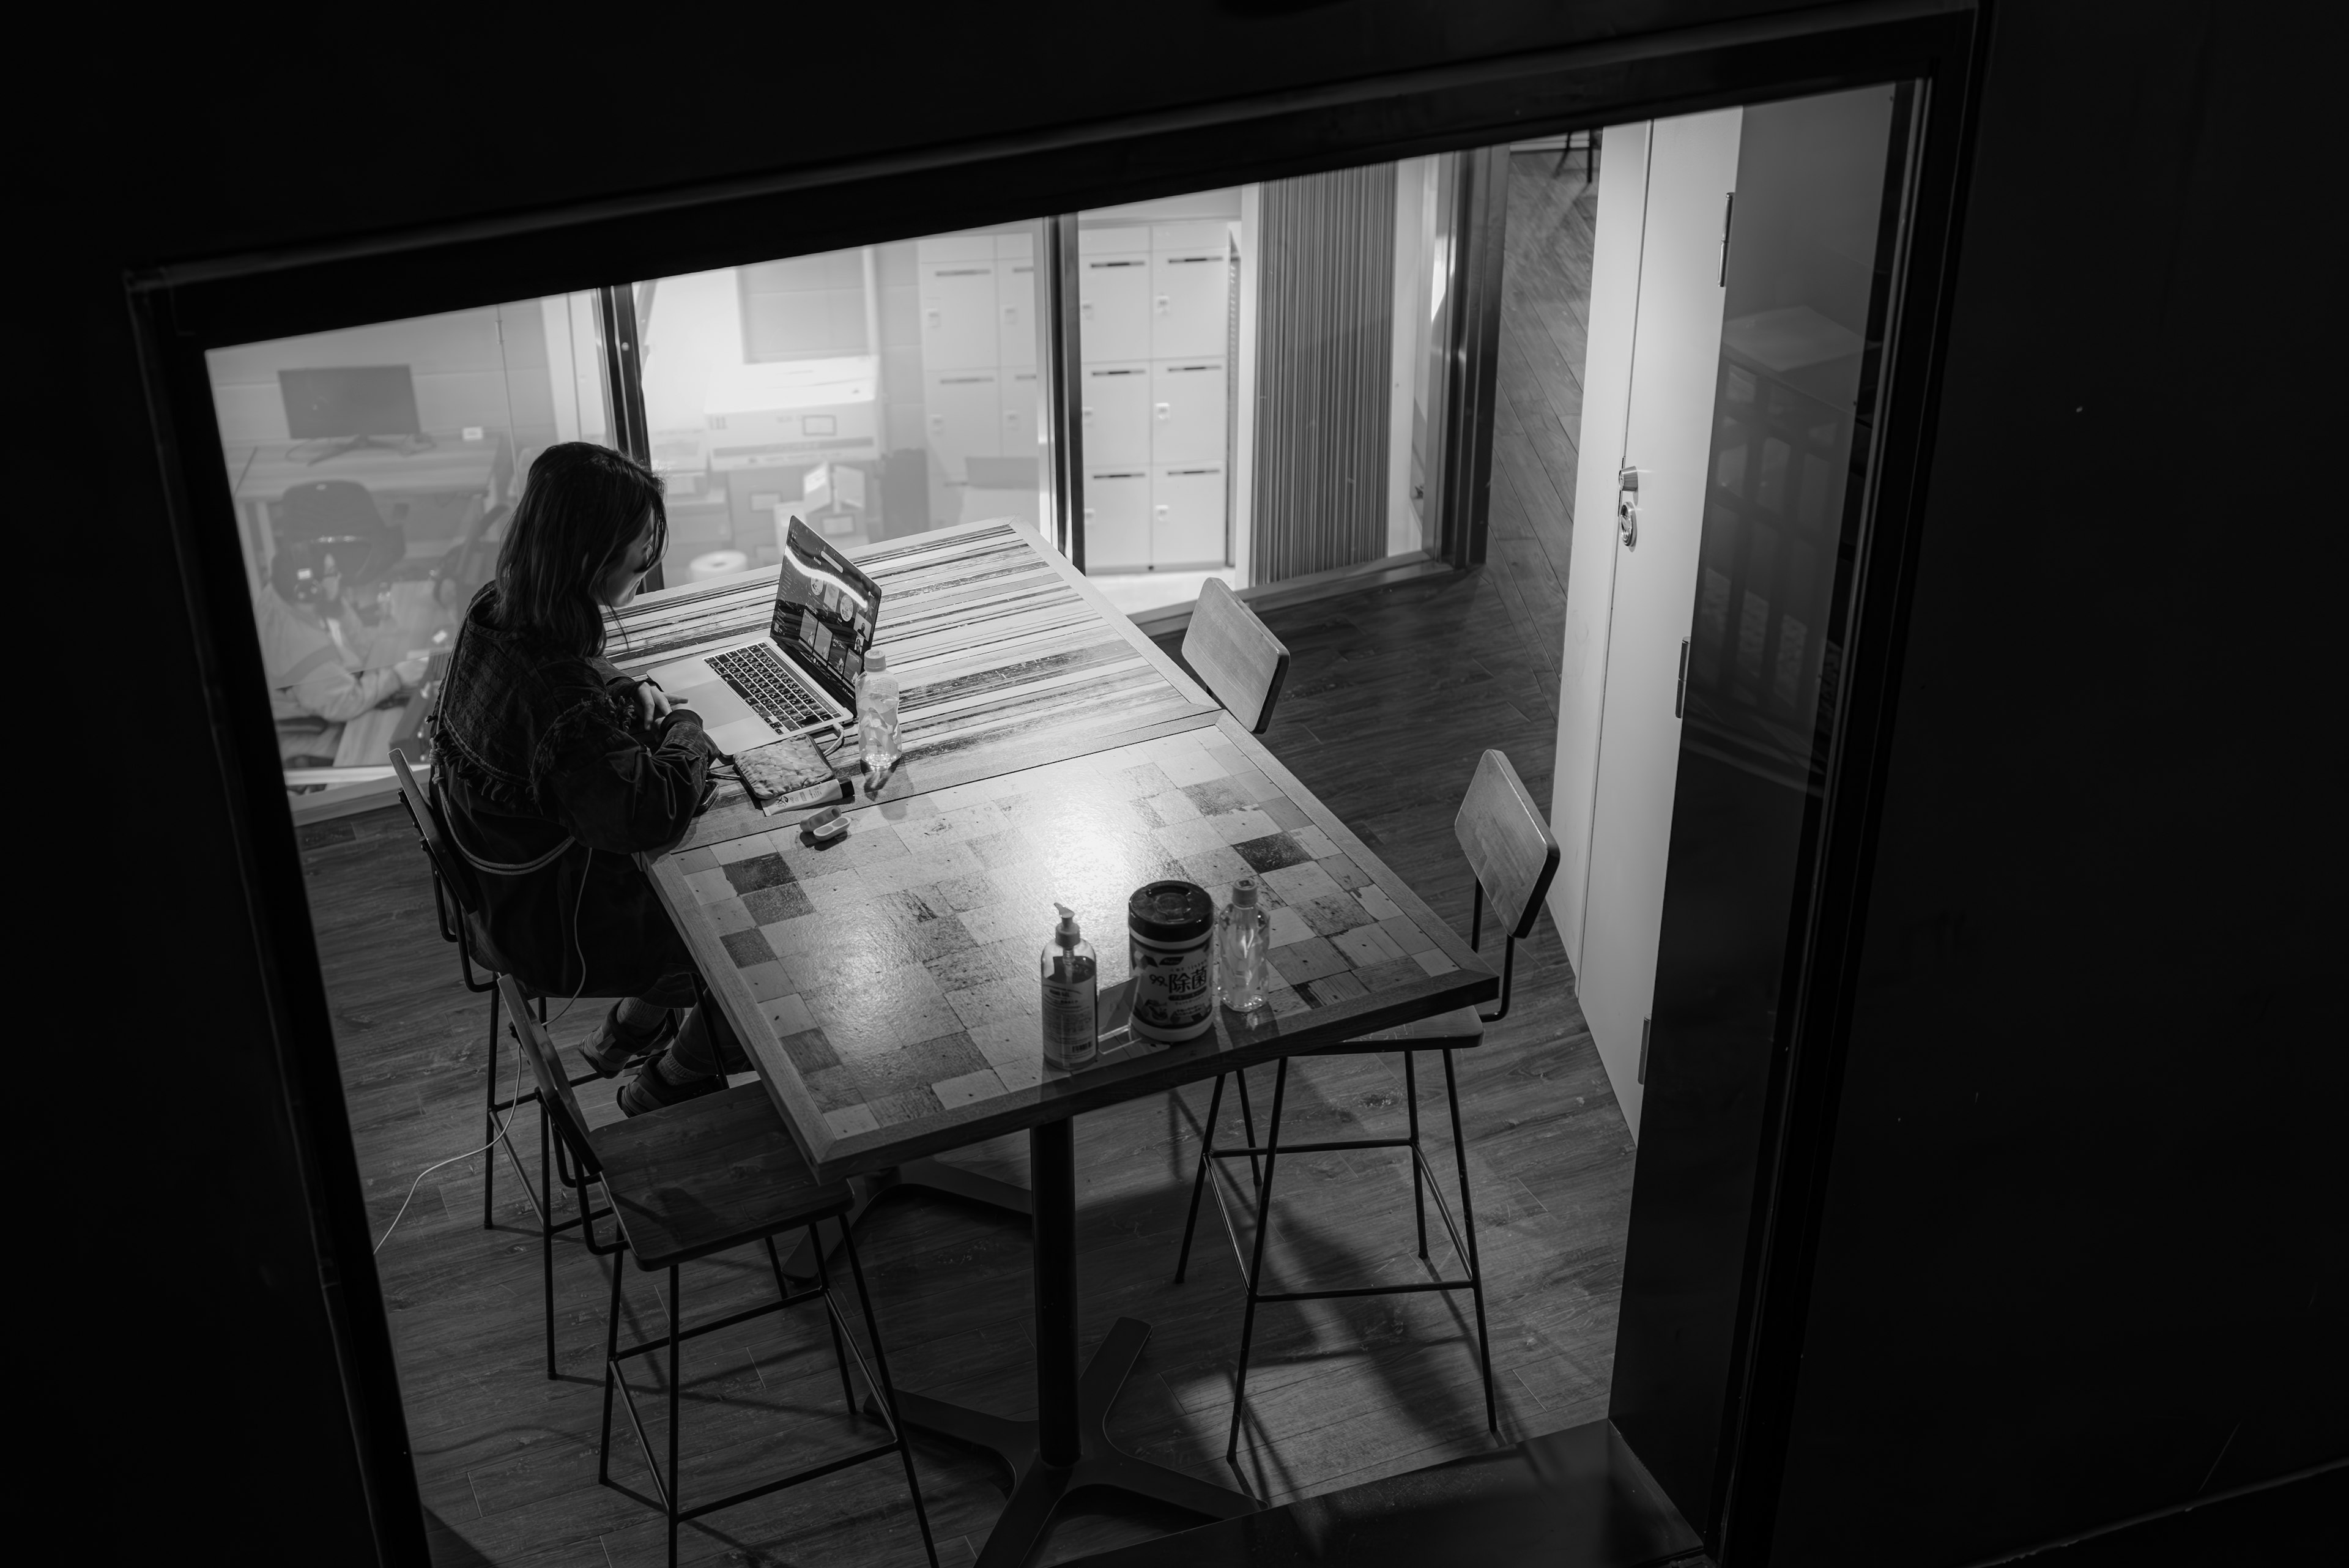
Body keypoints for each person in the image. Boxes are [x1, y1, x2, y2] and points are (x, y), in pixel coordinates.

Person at [430, 442, 739, 1115]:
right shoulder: (559, 696)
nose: (646, 565)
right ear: (589, 558)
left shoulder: (496, 609)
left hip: (498, 895)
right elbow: (646, 815)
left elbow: (560, 695)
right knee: (755, 922)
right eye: (640, 552)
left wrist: (621, 687)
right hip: (555, 929)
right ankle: (675, 1078)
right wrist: (691, 725)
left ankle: (628, 1029)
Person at [256, 533, 429, 762]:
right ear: (310, 589)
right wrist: (396, 676)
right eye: (332, 573)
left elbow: (360, 645)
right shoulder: (300, 644)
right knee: (390, 740)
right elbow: (344, 704)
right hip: (312, 728)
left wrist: (338, 604)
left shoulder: (286, 593)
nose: (339, 576)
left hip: (323, 695)